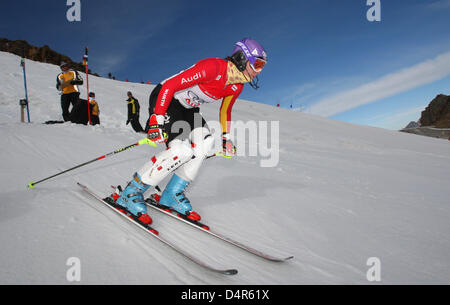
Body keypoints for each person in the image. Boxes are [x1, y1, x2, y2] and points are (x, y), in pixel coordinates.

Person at [115, 38, 267, 225]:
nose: (259, 70)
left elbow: (225, 110)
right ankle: (131, 193)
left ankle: (171, 194)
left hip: (189, 109)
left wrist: (226, 138)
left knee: (206, 142)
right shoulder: (214, 67)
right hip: (167, 99)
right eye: (258, 64)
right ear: (243, 58)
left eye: (262, 65)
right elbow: (170, 86)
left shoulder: (237, 86)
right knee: (181, 150)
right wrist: (157, 119)